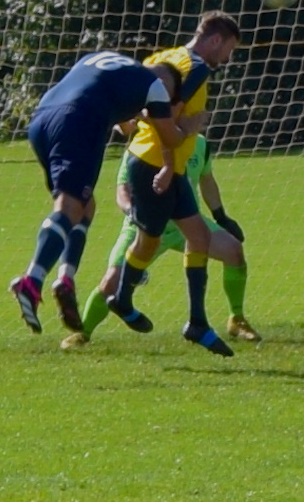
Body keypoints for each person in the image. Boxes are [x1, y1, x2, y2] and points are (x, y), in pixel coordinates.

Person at [13, 50, 184, 335]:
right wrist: (189, 127)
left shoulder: (106, 60)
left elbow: (122, 124)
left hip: (42, 119)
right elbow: (170, 137)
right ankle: (31, 280)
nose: (163, 88)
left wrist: (137, 117)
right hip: (80, 122)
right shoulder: (153, 88)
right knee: (69, 207)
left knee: (85, 205)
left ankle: (65, 280)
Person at [103, 13, 241, 357]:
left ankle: (197, 322)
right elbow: (170, 124)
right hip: (154, 168)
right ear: (214, 40)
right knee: (147, 243)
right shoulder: (194, 69)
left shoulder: (161, 58)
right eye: (229, 49)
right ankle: (121, 298)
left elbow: (131, 115)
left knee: (199, 237)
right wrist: (188, 133)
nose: (228, 58)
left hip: (163, 166)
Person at [77, 132, 258, 349]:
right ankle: (82, 333)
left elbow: (206, 180)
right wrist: (132, 212)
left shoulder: (199, 144)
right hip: (145, 226)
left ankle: (236, 319)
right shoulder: (144, 144)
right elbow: (122, 189)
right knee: (111, 282)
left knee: (234, 251)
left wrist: (221, 217)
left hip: (188, 224)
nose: (202, 116)